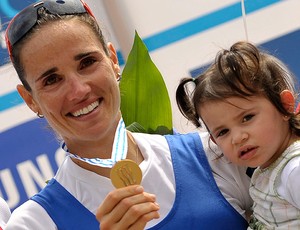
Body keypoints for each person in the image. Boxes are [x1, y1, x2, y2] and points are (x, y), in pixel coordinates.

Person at [5, 0, 252, 229]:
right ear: (30, 100)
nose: (79, 91)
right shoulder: (35, 223)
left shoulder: (216, 155)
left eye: (87, 63)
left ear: (113, 60)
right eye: (52, 79)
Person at [176, 41, 300, 229]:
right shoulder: (268, 170)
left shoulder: (294, 169)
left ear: (285, 105)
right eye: (223, 132)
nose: (237, 138)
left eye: (247, 118)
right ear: (213, 140)